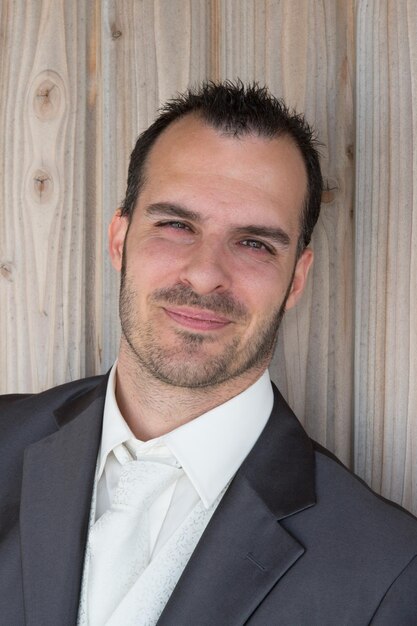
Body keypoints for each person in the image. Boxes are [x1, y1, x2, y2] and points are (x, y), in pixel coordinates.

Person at [1, 81, 417, 626]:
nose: (204, 274)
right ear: (120, 240)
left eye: (254, 243)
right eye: (176, 224)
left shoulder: (389, 569)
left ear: (296, 279)